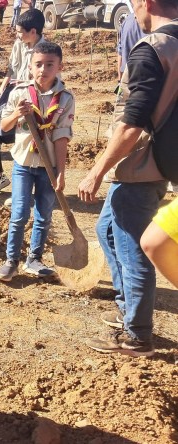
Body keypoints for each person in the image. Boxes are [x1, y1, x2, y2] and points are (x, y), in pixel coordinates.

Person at [78, 0, 177, 358]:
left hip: (140, 165)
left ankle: (138, 336)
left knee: (132, 247)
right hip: (163, 162)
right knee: (107, 230)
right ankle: (129, 313)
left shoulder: (152, 48)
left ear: (148, 2)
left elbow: (133, 122)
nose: (133, 10)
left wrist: (97, 170)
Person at [0, 41, 74, 282]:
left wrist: (61, 171)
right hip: (23, 163)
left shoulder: (65, 98)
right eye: (38, 65)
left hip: (48, 167)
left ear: (60, 66)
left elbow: (62, 137)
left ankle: (34, 259)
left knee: (43, 214)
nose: (43, 70)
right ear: (30, 67)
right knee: (19, 212)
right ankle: (11, 261)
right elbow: (3, 126)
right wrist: (18, 113)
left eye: (50, 64)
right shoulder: (19, 93)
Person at [0, 9, 47, 196]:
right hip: (12, 95)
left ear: (33, 32)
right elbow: (10, 71)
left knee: (27, 143)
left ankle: (28, 191)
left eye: (20, 32)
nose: (18, 35)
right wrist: (2, 90)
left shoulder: (45, 51)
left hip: (32, 101)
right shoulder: (18, 44)